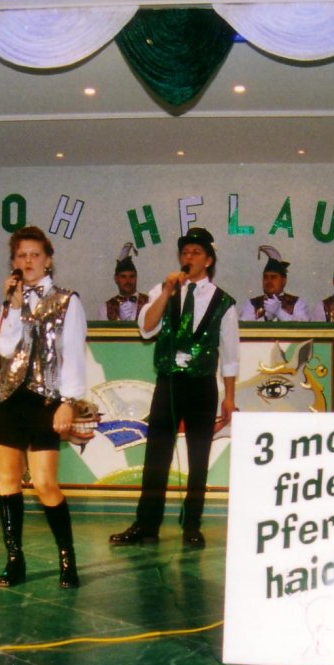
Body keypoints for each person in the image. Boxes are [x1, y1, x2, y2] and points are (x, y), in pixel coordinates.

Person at [110, 227, 239, 549]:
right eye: (185, 252)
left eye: (196, 253)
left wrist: (230, 397)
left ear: (208, 260)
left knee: (198, 456)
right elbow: (146, 328)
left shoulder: (223, 302)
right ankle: (146, 524)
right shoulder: (163, 289)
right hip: (168, 383)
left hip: (202, 385)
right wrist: (167, 292)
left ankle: (192, 524)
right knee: (157, 456)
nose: (188, 257)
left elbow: (230, 354)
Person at [0, 226, 87, 588]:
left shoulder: (67, 301)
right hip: (10, 397)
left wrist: (68, 402)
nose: (28, 261)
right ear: (13, 262)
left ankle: (67, 557)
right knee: (8, 481)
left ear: (48, 260)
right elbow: (3, 349)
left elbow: (73, 355)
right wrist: (14, 307)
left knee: (45, 483)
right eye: (21, 255)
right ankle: (15, 559)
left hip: (46, 400)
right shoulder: (11, 301)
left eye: (34, 254)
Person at [239, 245, 310, 321]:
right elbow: (244, 325)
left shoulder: (297, 303)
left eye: (273, 277)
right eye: (265, 277)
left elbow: (302, 326)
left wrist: (279, 312)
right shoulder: (251, 304)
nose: (268, 281)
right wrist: (266, 318)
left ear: (284, 281)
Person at [99, 242, 149, 321]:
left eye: (132, 276)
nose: (128, 281)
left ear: (136, 277)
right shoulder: (105, 308)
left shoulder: (150, 302)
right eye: (123, 277)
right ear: (116, 279)